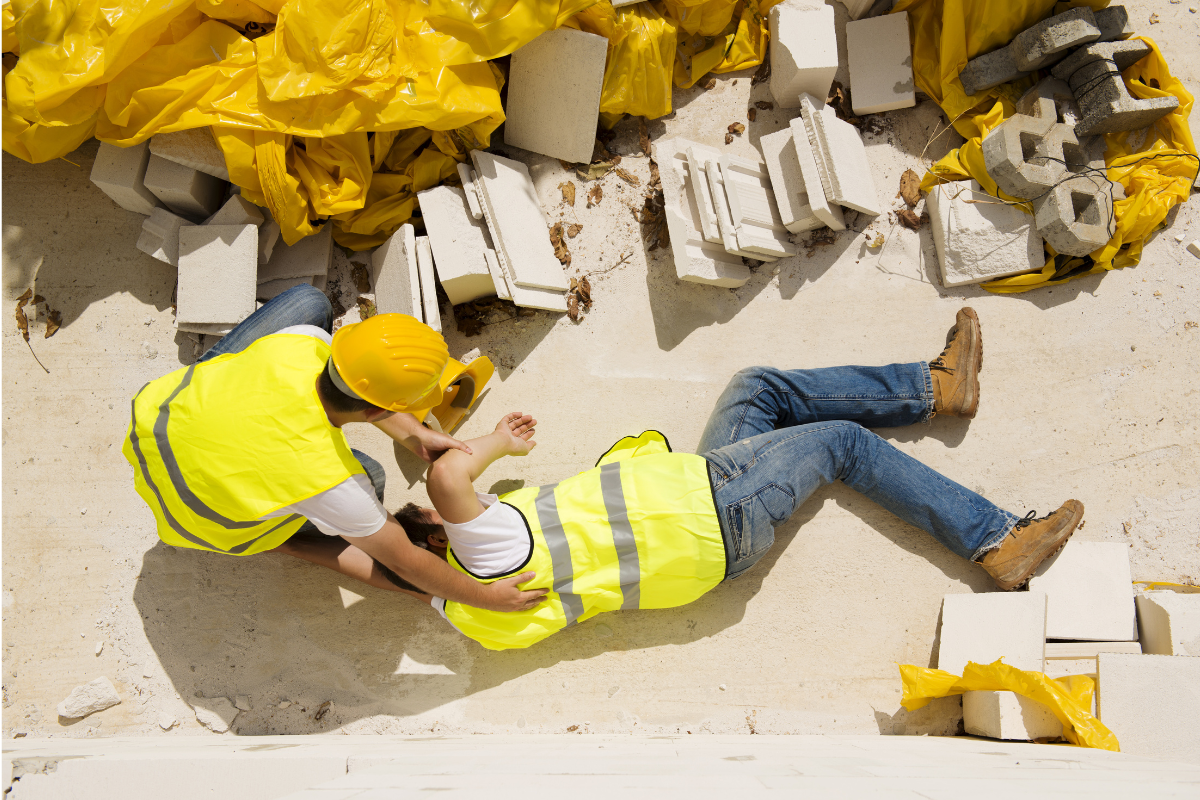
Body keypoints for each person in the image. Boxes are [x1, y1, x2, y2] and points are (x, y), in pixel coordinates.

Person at [389, 308, 1084, 650]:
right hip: (712, 508)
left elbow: (379, 563)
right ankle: (996, 541)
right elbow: (451, 475)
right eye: (429, 518)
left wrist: (393, 554)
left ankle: (939, 387)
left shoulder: (471, 618)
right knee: (843, 443)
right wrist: (493, 444)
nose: (450, 508)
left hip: (702, 522)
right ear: (440, 541)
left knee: (758, 389)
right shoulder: (489, 554)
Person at [122, 283, 547, 613]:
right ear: (381, 408)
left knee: (309, 301)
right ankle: (275, 536)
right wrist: (486, 597)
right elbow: (404, 563)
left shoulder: (302, 342)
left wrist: (413, 433)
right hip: (200, 519)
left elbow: (358, 390)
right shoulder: (335, 483)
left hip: (156, 424)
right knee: (374, 478)